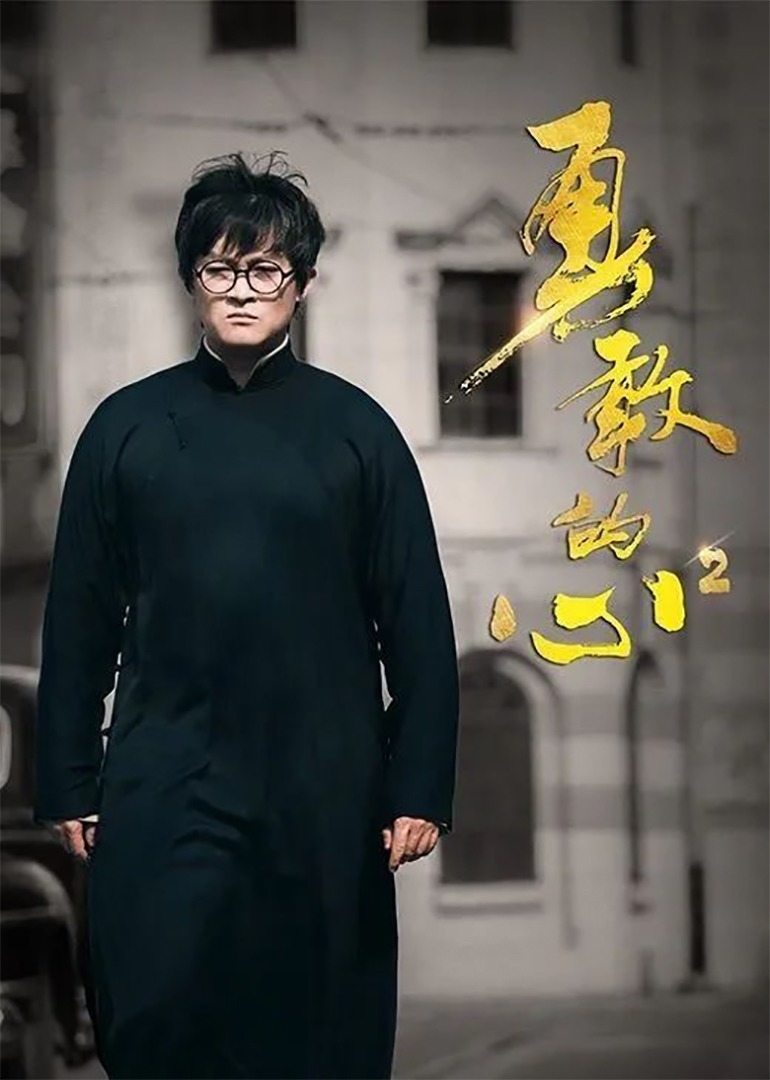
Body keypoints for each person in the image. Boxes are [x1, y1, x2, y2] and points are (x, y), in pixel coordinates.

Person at [33, 150, 460, 1080]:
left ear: (301, 283)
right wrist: (66, 778)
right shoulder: (124, 429)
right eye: (219, 269)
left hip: (324, 786)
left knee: (316, 1026)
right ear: (191, 281)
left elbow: (417, 621)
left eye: (264, 269)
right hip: (165, 774)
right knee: (156, 1010)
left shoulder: (359, 432)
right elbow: (79, 617)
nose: (241, 290)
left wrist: (419, 784)